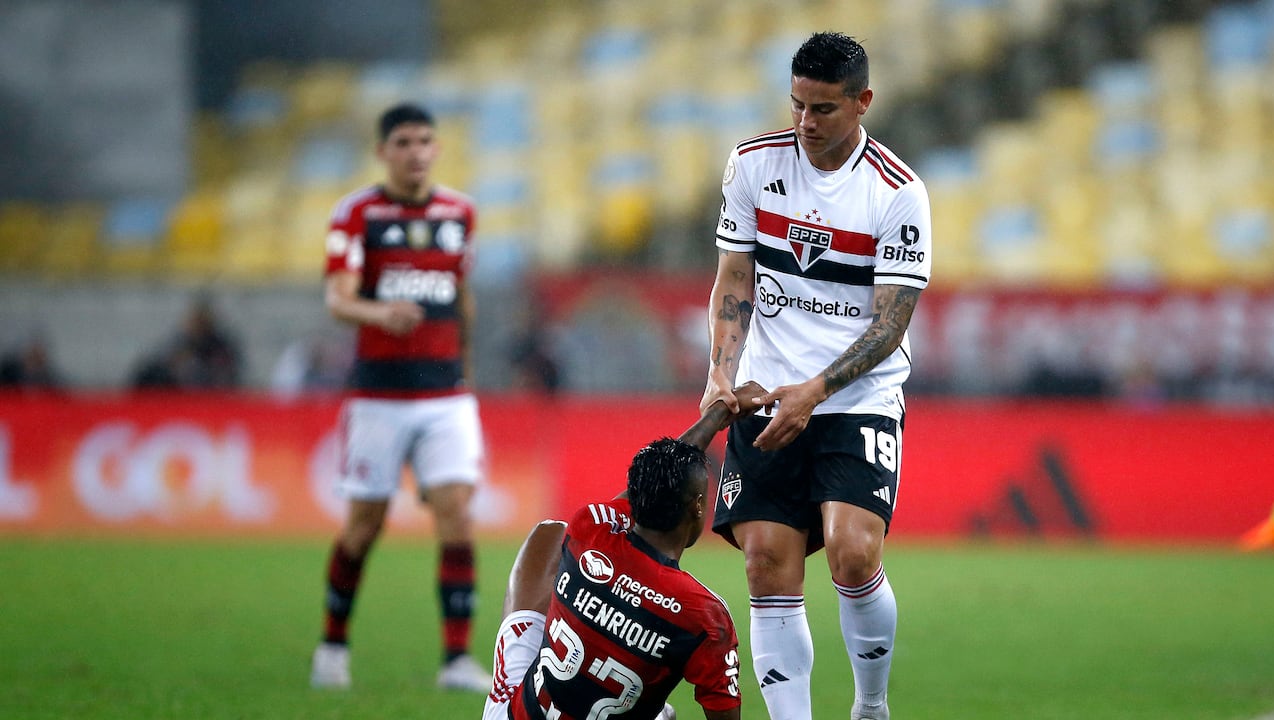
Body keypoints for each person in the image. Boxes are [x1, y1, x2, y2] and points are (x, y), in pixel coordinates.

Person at [700, 32, 932, 720]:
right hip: (768, 391)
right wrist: (720, 374)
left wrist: (817, 392)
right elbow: (733, 278)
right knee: (766, 562)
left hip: (857, 396)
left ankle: (871, 705)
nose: (805, 123)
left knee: (853, 554)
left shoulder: (897, 193)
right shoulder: (751, 165)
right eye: (798, 104)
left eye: (824, 109)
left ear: (863, 102)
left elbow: (890, 325)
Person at [310, 102, 490, 692]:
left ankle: (456, 660)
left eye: (425, 141)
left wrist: (465, 373)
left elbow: (460, 295)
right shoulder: (358, 214)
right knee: (364, 525)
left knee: (457, 517)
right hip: (378, 398)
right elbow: (338, 299)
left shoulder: (460, 213)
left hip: (447, 397)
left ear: (437, 148)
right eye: (404, 142)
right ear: (383, 151)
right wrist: (378, 312)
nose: (416, 152)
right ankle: (333, 647)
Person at [482, 382, 765, 720]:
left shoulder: (591, 529)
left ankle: (503, 693)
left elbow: (656, 477)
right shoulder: (705, 615)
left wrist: (719, 413)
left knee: (549, 534)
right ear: (699, 507)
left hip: (519, 714)